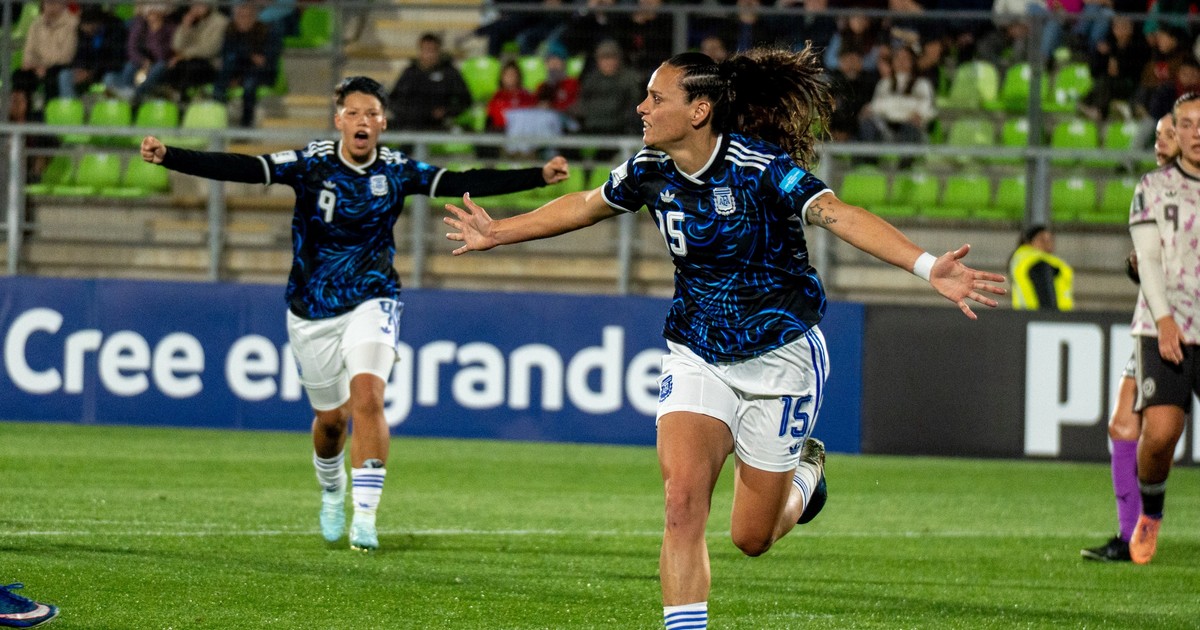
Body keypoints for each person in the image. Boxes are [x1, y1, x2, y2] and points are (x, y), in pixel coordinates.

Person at [443, 47, 1006, 629]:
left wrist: (926, 266)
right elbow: (585, 206)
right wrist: (498, 232)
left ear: (698, 111)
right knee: (681, 506)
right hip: (697, 353)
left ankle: (806, 474)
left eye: (656, 97)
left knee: (751, 538)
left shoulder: (759, 168)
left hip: (781, 358)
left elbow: (838, 213)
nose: (641, 107)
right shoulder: (649, 168)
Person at [139, 76, 571, 552]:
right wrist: (171, 156)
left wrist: (537, 176)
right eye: (353, 113)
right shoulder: (311, 163)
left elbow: (463, 181)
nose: (362, 121)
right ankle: (332, 491)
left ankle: (365, 517)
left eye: (371, 114)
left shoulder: (398, 169)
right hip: (312, 307)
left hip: (374, 295)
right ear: (338, 120)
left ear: (383, 123)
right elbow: (243, 167)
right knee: (330, 421)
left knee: (368, 397)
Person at [1081, 112, 1179, 563]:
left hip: (1187, 323)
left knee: (1154, 432)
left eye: (1170, 134)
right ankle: (1131, 537)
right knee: (1123, 425)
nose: (1160, 143)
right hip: (1153, 323)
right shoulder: (1152, 191)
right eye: (1157, 136)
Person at [1123, 91, 1200, 565]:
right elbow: (1147, 260)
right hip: (1163, 326)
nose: (1196, 132)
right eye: (1186, 124)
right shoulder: (1152, 186)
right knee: (1161, 433)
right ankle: (1150, 513)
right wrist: (1165, 318)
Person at [387, 32, 472, 131]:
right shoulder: (410, 72)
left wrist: (446, 111)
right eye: (426, 50)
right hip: (409, 124)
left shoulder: (450, 73)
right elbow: (393, 100)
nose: (429, 55)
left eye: (433, 51)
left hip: (438, 126)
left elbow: (466, 101)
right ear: (420, 51)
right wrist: (408, 113)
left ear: (439, 51)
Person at [10, 0, 78, 123]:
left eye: (55, 3)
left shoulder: (72, 23)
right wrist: (35, 66)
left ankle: (48, 120)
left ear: (63, 4)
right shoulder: (36, 24)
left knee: (52, 77)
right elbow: (29, 51)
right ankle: (22, 117)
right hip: (37, 67)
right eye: (48, 3)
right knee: (19, 76)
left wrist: (44, 66)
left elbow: (67, 55)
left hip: (60, 66)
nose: (51, 6)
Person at [212, 2, 271, 127]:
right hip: (233, 70)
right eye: (240, 16)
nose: (243, 20)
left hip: (254, 72)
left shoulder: (263, 31)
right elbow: (226, 55)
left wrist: (247, 55)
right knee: (219, 84)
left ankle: (246, 124)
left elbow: (262, 61)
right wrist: (249, 55)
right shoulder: (230, 30)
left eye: (247, 16)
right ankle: (219, 120)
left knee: (249, 87)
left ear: (254, 17)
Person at [105, 3, 175, 105]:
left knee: (161, 66)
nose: (151, 14)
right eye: (149, 12)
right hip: (141, 63)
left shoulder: (170, 28)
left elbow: (163, 55)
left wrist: (155, 32)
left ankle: (134, 94)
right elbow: (131, 49)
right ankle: (129, 92)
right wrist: (143, 61)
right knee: (111, 76)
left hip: (158, 64)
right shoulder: (139, 25)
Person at [57, 5, 126, 101]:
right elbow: (79, 53)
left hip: (109, 71)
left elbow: (116, 60)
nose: (86, 32)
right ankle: (70, 106)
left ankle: (111, 108)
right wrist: (80, 68)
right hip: (88, 70)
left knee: (109, 78)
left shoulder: (116, 28)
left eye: (88, 29)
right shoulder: (82, 31)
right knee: (65, 75)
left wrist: (92, 72)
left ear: (96, 23)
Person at [164, 2, 229, 103]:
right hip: (188, 61)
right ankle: (174, 101)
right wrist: (185, 27)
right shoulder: (193, 20)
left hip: (211, 63)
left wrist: (184, 55)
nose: (196, 8)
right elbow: (176, 46)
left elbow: (211, 49)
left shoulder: (221, 22)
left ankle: (184, 102)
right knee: (171, 68)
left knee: (190, 68)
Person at [1009, 225, 1075, 311]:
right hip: (1046, 316)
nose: (1048, 243)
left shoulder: (1021, 259)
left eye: (1050, 239)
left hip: (1026, 315)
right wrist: (1051, 315)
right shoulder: (1038, 262)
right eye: (1042, 240)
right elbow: (1046, 296)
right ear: (1029, 242)